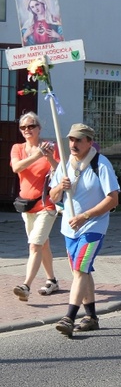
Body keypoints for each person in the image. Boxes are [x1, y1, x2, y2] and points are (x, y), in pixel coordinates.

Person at [49, 123, 120, 337]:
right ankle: (91, 317)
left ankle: (69, 317)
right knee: (82, 270)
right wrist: (60, 187)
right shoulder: (65, 163)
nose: (73, 144)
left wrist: (85, 216)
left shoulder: (101, 163)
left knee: (80, 269)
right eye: (71, 139)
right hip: (69, 228)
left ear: (90, 142)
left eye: (79, 140)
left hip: (93, 227)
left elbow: (113, 199)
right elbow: (52, 197)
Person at [10, 112, 61, 302]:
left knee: (35, 245)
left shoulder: (50, 147)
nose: (27, 130)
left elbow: (59, 170)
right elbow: (16, 168)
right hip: (26, 206)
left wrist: (48, 157)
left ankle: (26, 286)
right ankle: (52, 280)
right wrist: (37, 154)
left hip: (46, 205)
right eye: (23, 127)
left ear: (39, 128)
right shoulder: (18, 148)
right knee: (43, 244)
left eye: (31, 126)